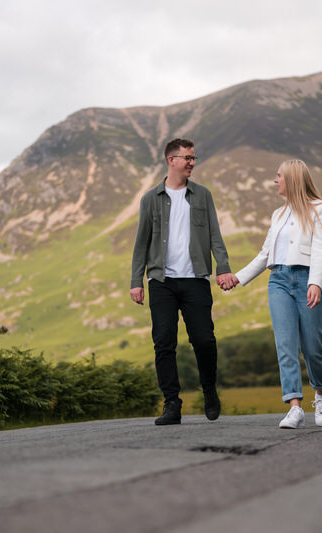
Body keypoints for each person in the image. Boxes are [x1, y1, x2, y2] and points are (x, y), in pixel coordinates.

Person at [130, 138, 236, 425]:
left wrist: (223, 268)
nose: (192, 162)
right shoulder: (150, 199)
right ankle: (172, 404)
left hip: (196, 278)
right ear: (171, 160)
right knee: (163, 342)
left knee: (203, 340)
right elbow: (141, 243)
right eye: (186, 157)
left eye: (193, 157)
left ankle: (209, 391)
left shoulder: (202, 195)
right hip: (161, 280)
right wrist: (136, 280)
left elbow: (215, 235)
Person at [226, 159, 322, 429]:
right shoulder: (278, 214)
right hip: (279, 281)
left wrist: (316, 282)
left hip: (309, 279)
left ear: (293, 179)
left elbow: (320, 249)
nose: (275, 180)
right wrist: (237, 278)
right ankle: (294, 407)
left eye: (278, 176)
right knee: (285, 345)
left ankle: (320, 394)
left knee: (312, 347)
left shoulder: (321, 209)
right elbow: (266, 255)